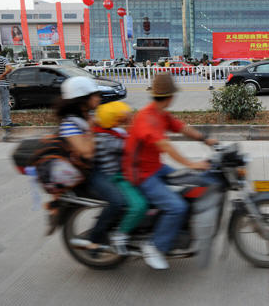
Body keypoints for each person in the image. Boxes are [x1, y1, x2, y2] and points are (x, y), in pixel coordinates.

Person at [122, 73, 218, 269]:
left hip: (155, 168)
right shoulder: (147, 118)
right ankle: (154, 246)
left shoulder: (160, 113)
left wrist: (205, 139)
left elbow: (181, 128)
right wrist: (191, 164)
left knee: (192, 182)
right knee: (177, 207)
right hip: (141, 175)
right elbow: (165, 146)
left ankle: (180, 230)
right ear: (170, 96)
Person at [70, 101, 148, 255]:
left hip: (119, 173)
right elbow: (132, 147)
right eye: (121, 119)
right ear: (114, 121)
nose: (124, 120)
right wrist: (132, 124)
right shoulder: (106, 139)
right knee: (121, 202)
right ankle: (96, 239)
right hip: (110, 176)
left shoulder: (112, 131)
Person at [56, 77, 120, 247]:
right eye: (95, 95)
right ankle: (95, 238)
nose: (98, 98)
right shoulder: (69, 124)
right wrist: (93, 129)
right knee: (118, 200)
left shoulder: (87, 116)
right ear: (82, 99)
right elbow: (87, 153)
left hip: (104, 165)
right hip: (90, 173)